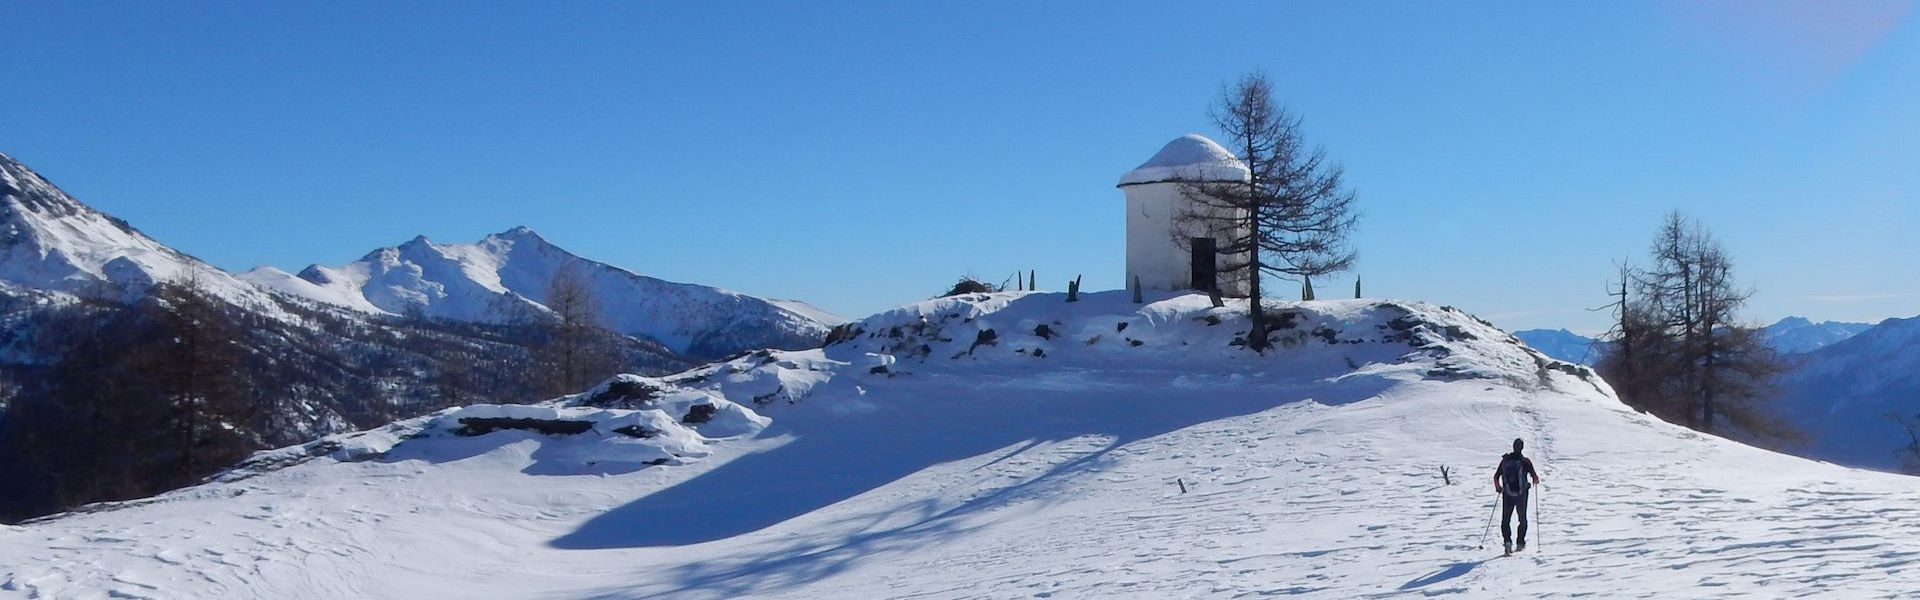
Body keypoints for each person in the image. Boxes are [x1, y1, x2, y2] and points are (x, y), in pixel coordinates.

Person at [1494, 438, 1541, 555]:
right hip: (1521, 495)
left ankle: (1507, 542)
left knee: (1506, 520)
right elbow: (1535, 477)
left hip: (1507, 495)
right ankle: (1520, 543)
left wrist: (1498, 488)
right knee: (1522, 519)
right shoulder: (1525, 461)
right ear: (1522, 448)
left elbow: (1496, 476)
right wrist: (1533, 481)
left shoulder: (1505, 461)